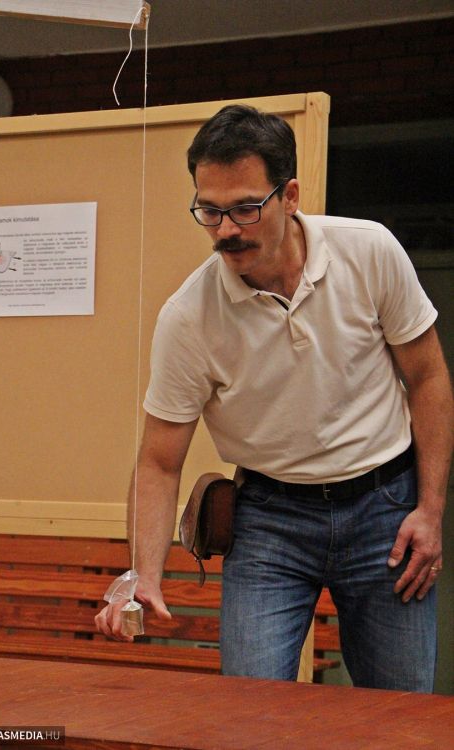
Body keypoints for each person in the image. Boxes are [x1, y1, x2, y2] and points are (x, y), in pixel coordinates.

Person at [95, 104, 453, 692]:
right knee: (248, 714)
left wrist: (430, 511)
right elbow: (159, 461)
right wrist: (143, 573)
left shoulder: (370, 252)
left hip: (385, 505)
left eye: (244, 208)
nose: (225, 230)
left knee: (401, 714)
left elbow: (429, 379)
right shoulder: (189, 317)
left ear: (289, 196)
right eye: (209, 211)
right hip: (270, 518)